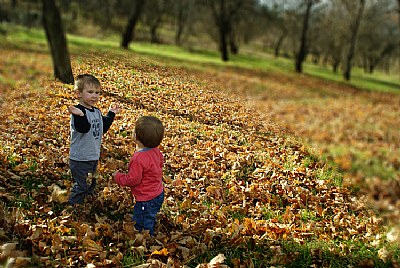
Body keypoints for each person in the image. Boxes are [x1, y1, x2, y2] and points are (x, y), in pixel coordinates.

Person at [68, 74, 120, 205]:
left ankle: (87, 202)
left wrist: (111, 113)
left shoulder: (96, 111)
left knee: (91, 181)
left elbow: (103, 127)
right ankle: (73, 206)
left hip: (92, 156)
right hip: (80, 157)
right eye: (90, 92)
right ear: (79, 94)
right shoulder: (77, 111)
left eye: (97, 93)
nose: (95, 96)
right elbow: (83, 128)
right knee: (81, 185)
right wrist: (80, 116)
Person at [113, 116, 165, 236]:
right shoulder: (157, 152)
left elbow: (133, 179)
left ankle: (145, 239)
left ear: (136, 137)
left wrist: (118, 177)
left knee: (142, 222)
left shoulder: (138, 158)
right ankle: (149, 223)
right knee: (149, 214)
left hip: (146, 199)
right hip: (158, 192)